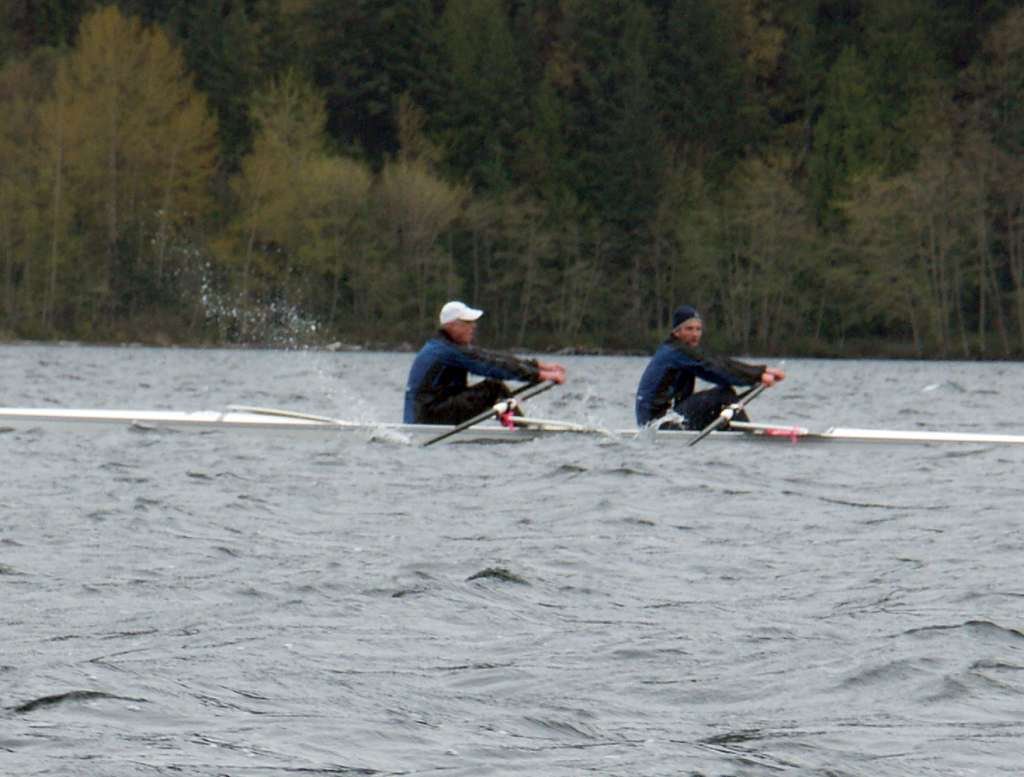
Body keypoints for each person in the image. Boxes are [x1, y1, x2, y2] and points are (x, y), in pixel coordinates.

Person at [404, 300, 566, 425]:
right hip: (427, 418)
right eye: (468, 322)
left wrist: (537, 366)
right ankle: (521, 431)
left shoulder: (446, 346)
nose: (473, 326)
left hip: (427, 414)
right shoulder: (447, 351)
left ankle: (516, 425)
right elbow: (491, 366)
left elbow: (492, 357)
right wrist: (539, 375)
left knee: (495, 388)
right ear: (451, 326)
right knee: (494, 389)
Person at [635, 304, 785, 429]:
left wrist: (762, 371)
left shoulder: (681, 352)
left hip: (667, 419)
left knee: (722, 398)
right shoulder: (675, 352)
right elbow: (714, 369)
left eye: (698, 329)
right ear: (677, 332)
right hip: (656, 423)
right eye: (689, 329)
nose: (695, 334)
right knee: (724, 395)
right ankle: (746, 439)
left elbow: (719, 364)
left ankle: (731, 431)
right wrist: (757, 375)